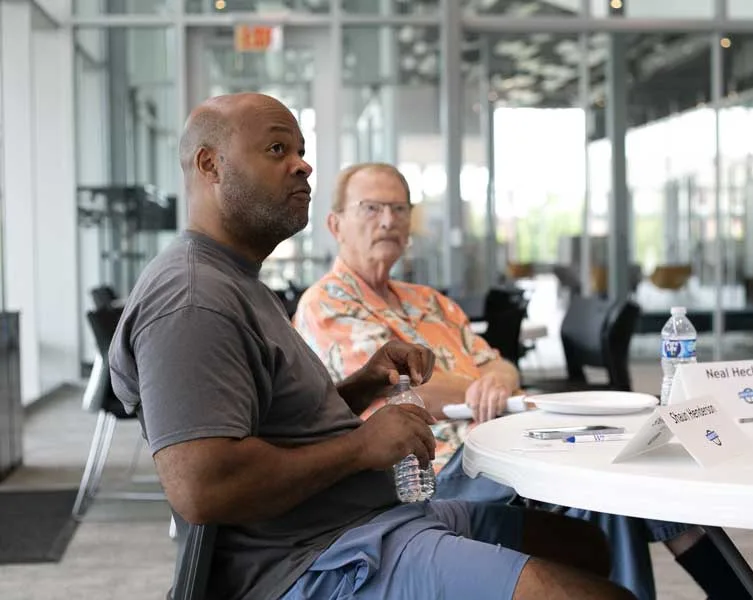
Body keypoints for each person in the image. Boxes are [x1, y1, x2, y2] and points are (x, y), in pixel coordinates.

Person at [107, 93, 635, 600]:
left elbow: (275, 424)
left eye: (301, 152)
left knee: (579, 546)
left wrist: (360, 389)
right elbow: (204, 487)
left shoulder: (237, 281)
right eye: (277, 150)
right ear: (210, 165)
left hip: (370, 518)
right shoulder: (193, 299)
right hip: (316, 560)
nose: (302, 167)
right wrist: (361, 446)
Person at [294, 162, 753, 600]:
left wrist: (493, 382)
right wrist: (481, 386)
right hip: (434, 474)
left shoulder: (429, 301)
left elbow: (500, 363)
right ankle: (737, 592)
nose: (389, 220)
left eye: (399, 208)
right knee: (609, 481)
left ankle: (734, 592)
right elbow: (396, 386)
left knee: (629, 458)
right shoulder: (328, 303)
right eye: (372, 208)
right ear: (336, 223)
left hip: (503, 443)